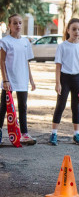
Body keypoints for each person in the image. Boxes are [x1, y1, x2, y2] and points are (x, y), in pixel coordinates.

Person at [49, 18, 79, 146]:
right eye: (74, 29)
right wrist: (58, 83)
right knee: (60, 105)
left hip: (78, 78)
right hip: (64, 78)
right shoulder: (62, 46)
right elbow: (58, 66)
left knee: (76, 107)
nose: (76, 32)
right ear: (68, 30)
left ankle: (76, 134)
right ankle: (54, 133)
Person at [0, 14, 36, 145]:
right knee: (4, 107)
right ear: (9, 25)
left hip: (22, 79)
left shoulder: (26, 42)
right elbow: (2, 62)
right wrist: (5, 80)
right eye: (15, 23)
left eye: (20, 23)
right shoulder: (5, 41)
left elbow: (27, 62)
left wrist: (31, 80)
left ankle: (24, 134)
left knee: (23, 106)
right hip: (9, 79)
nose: (18, 25)